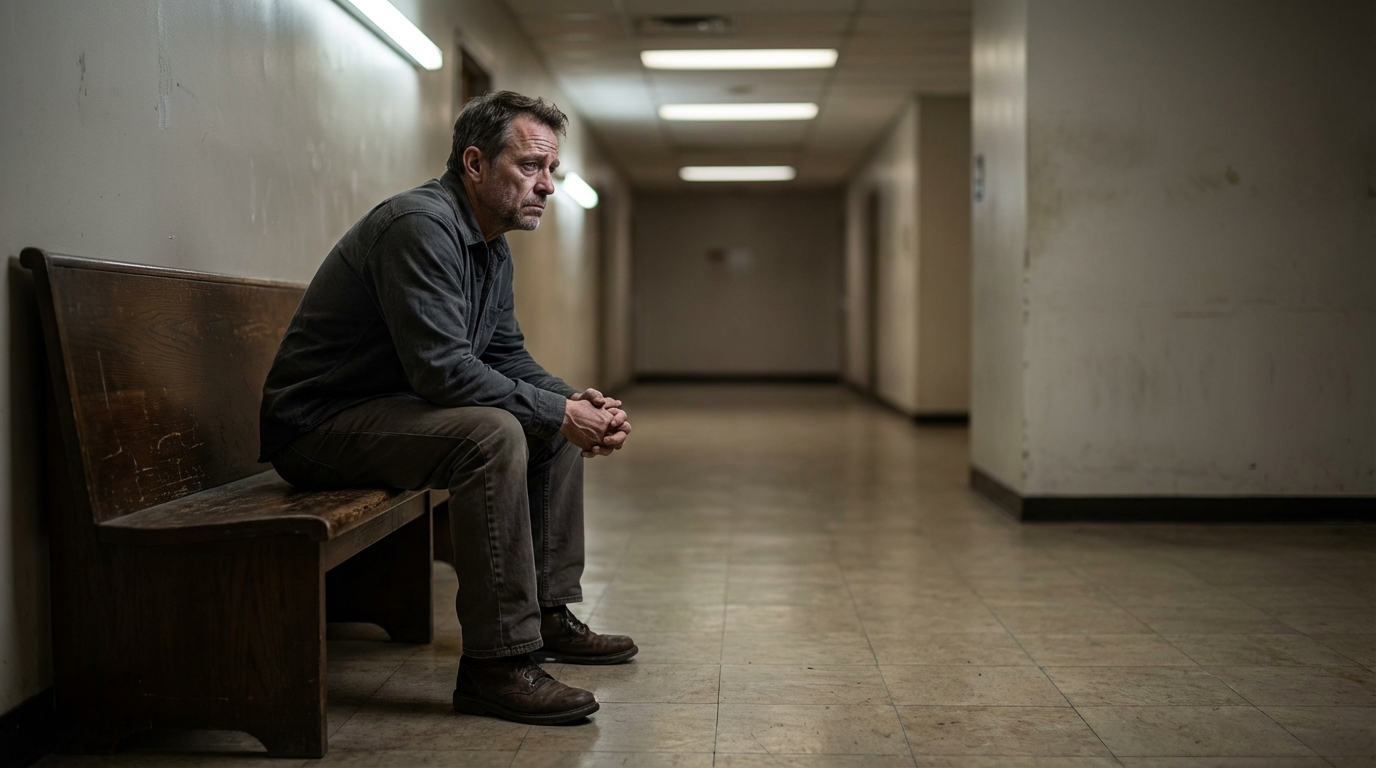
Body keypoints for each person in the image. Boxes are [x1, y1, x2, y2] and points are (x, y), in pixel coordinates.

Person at [258, 91, 634, 726]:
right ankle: (496, 664)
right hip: (318, 425)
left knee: (548, 421)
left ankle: (546, 613)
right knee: (492, 434)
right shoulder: (419, 227)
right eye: (529, 167)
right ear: (475, 163)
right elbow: (442, 371)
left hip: (389, 415)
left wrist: (574, 403)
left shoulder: (489, 244)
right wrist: (555, 410)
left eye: (552, 171)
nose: (546, 186)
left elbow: (507, 356)